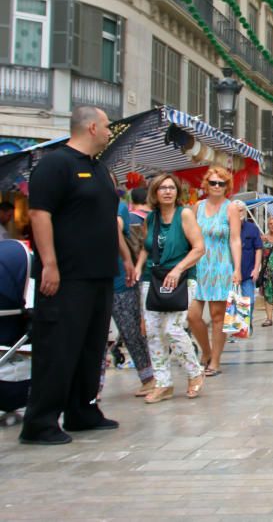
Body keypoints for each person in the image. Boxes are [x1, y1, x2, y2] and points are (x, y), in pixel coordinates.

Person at [20, 106, 131, 445]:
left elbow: (107, 220)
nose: (110, 132)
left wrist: (124, 257)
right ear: (92, 127)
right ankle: (40, 422)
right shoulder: (55, 164)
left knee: (90, 346)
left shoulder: (99, 169)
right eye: (108, 127)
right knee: (59, 347)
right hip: (66, 276)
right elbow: (40, 215)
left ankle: (82, 410)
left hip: (99, 275)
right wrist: (49, 263)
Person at [133, 173, 206, 403]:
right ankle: (163, 383)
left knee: (172, 329)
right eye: (162, 188)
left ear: (177, 192)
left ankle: (195, 372)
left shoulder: (184, 214)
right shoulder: (151, 219)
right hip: (153, 278)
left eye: (171, 188)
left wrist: (178, 269)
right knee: (153, 333)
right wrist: (137, 267)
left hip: (181, 278)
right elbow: (146, 246)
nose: (167, 192)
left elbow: (199, 248)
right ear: (154, 193)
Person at [188, 167, 241, 377]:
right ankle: (207, 351)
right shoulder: (196, 207)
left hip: (220, 265)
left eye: (221, 183)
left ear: (227, 186)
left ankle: (216, 361)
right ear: (206, 185)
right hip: (199, 265)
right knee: (192, 316)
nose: (217, 187)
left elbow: (235, 240)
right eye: (213, 183)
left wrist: (237, 268)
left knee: (218, 316)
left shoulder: (231, 209)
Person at [112, 194, 155, 397]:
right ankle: (93, 387)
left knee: (131, 331)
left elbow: (117, 227)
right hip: (90, 279)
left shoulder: (118, 208)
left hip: (121, 280)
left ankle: (148, 377)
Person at [232, 200, 262, 327]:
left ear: (244, 212)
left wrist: (256, 269)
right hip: (230, 272)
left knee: (249, 299)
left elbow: (258, 249)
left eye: (240, 210)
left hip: (247, 271)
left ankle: (246, 323)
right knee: (231, 301)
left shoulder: (252, 228)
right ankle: (234, 327)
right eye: (235, 211)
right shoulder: (227, 228)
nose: (238, 213)